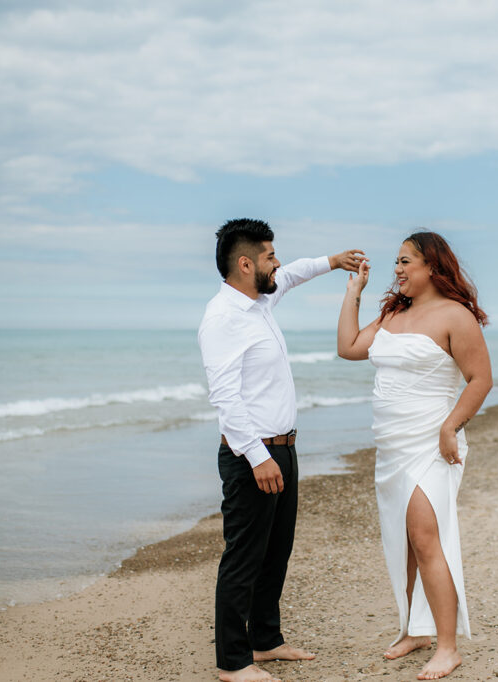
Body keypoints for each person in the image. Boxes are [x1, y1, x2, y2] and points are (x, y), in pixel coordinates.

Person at [198, 218, 365, 682]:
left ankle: (265, 640)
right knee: (243, 557)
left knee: (276, 551)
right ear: (246, 263)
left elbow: (292, 274)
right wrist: (257, 458)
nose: (279, 264)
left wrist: (334, 262)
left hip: (283, 449)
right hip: (252, 456)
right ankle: (232, 662)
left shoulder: (260, 299)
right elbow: (225, 399)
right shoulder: (223, 318)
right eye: (270, 256)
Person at [336, 231, 492, 680]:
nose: (398, 270)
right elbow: (348, 348)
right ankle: (413, 630)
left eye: (406, 262)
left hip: (431, 444)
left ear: (432, 267)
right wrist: (354, 293)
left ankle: (447, 647)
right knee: (401, 542)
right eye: (397, 263)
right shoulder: (393, 312)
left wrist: (450, 426)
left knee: (426, 539)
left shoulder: (455, 316)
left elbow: (480, 379)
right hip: (391, 446)